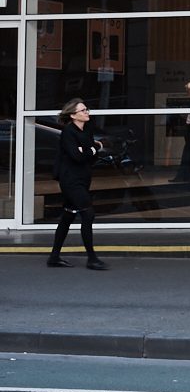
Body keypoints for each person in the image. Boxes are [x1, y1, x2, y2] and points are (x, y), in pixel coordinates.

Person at [48, 98, 108, 270]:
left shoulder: (86, 129)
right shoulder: (68, 132)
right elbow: (76, 156)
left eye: (86, 109)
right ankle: (92, 259)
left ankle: (54, 257)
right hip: (70, 180)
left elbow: (91, 154)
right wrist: (92, 149)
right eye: (83, 110)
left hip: (83, 178)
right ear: (73, 115)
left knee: (68, 215)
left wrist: (88, 150)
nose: (87, 112)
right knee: (88, 214)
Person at [168, 80, 190, 185]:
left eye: (188, 90)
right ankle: (184, 176)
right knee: (188, 154)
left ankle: (184, 176)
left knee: (188, 155)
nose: (187, 93)